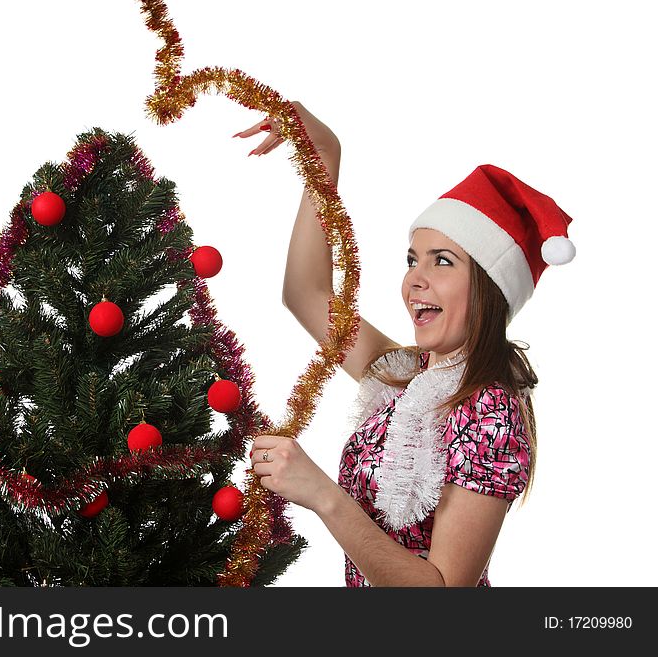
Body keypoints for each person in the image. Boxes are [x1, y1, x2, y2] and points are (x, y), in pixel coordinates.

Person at [233, 101, 575, 586]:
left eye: (442, 261)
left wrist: (323, 496)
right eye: (412, 259)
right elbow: (306, 294)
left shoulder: (491, 412)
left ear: (489, 288)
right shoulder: (405, 374)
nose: (415, 279)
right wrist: (325, 157)